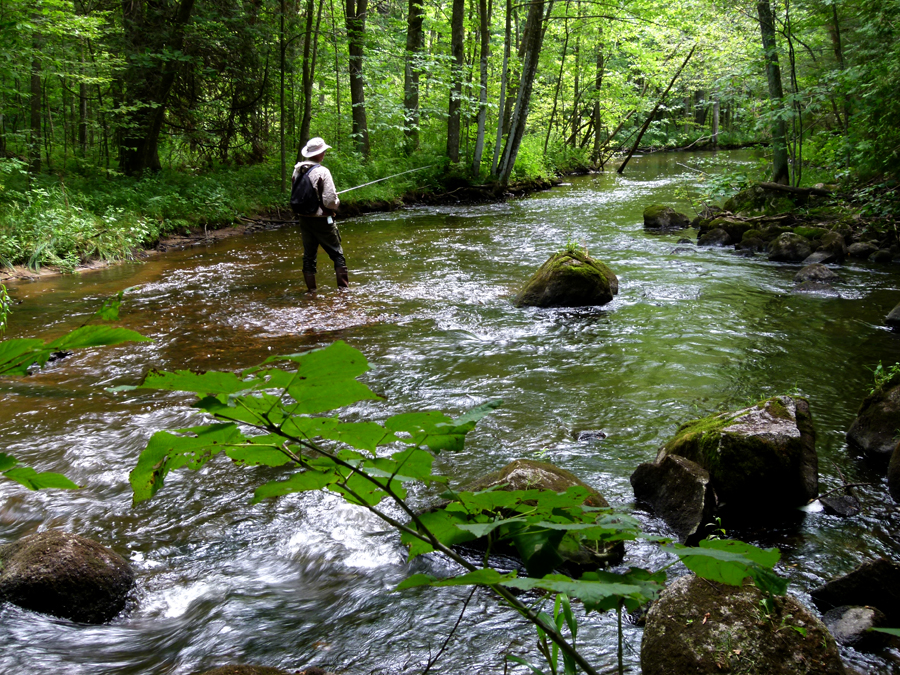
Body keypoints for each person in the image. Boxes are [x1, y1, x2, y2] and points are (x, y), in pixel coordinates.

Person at [291, 137, 348, 291]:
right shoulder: (323, 171)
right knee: (337, 254)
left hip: (304, 219)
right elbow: (329, 201)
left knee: (309, 256)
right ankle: (344, 291)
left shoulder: (297, 171)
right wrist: (337, 202)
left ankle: (311, 292)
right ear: (320, 153)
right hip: (322, 219)